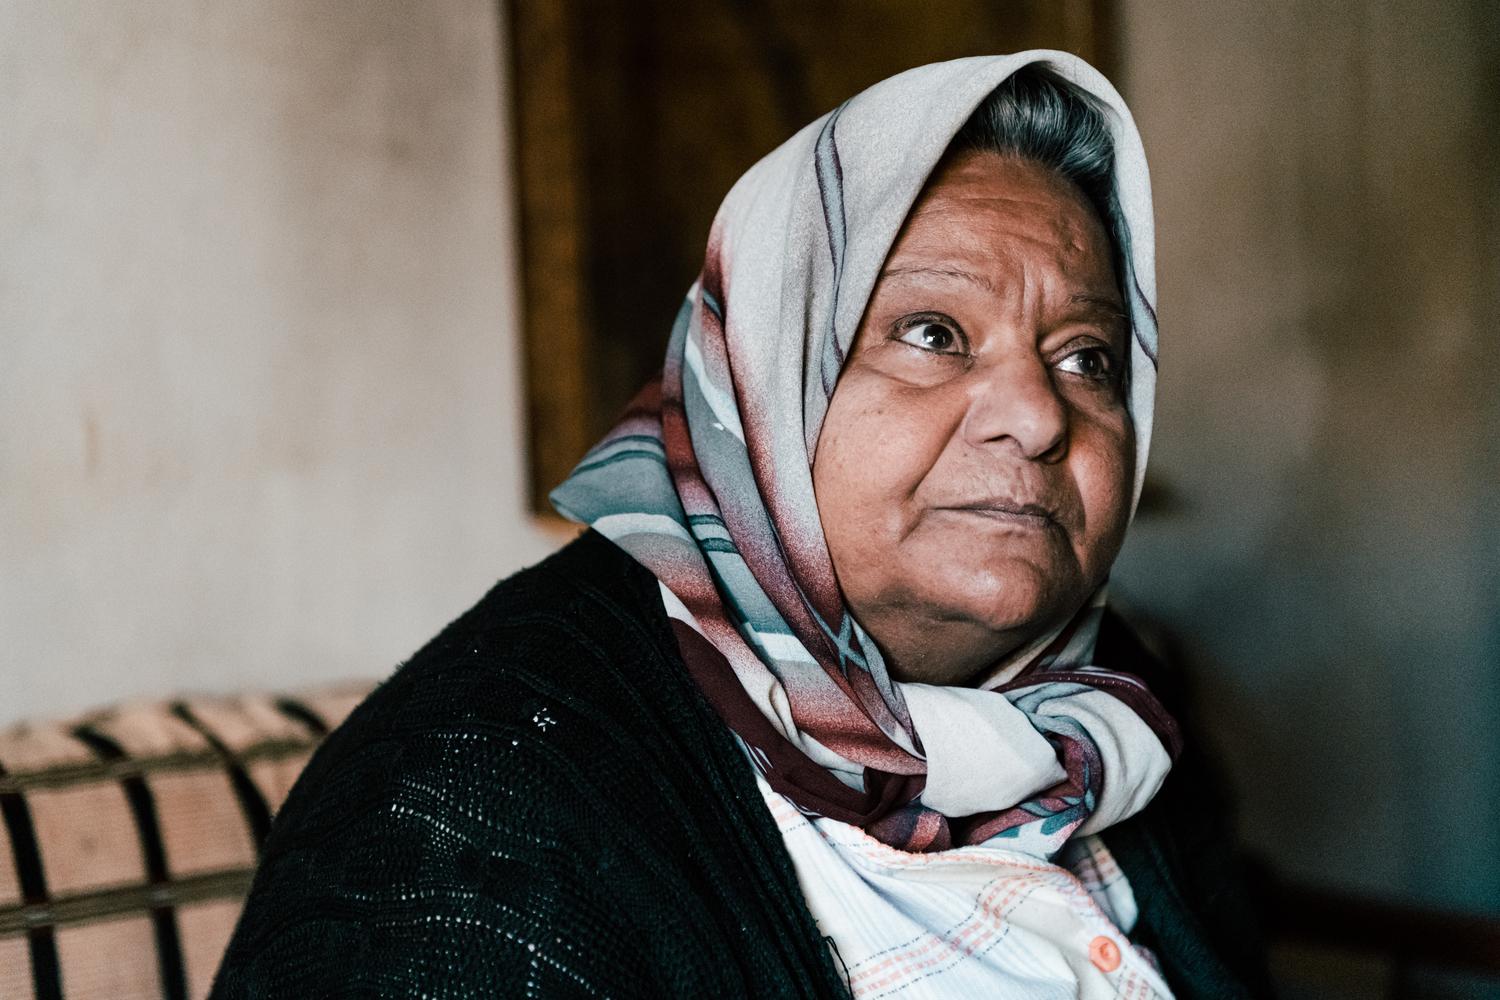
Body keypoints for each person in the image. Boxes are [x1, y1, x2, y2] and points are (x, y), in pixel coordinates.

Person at [213, 53, 1270, 999]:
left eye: (1088, 357)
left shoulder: (1119, 706)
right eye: (934, 332)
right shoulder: (465, 819)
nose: (1041, 417)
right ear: (762, 380)